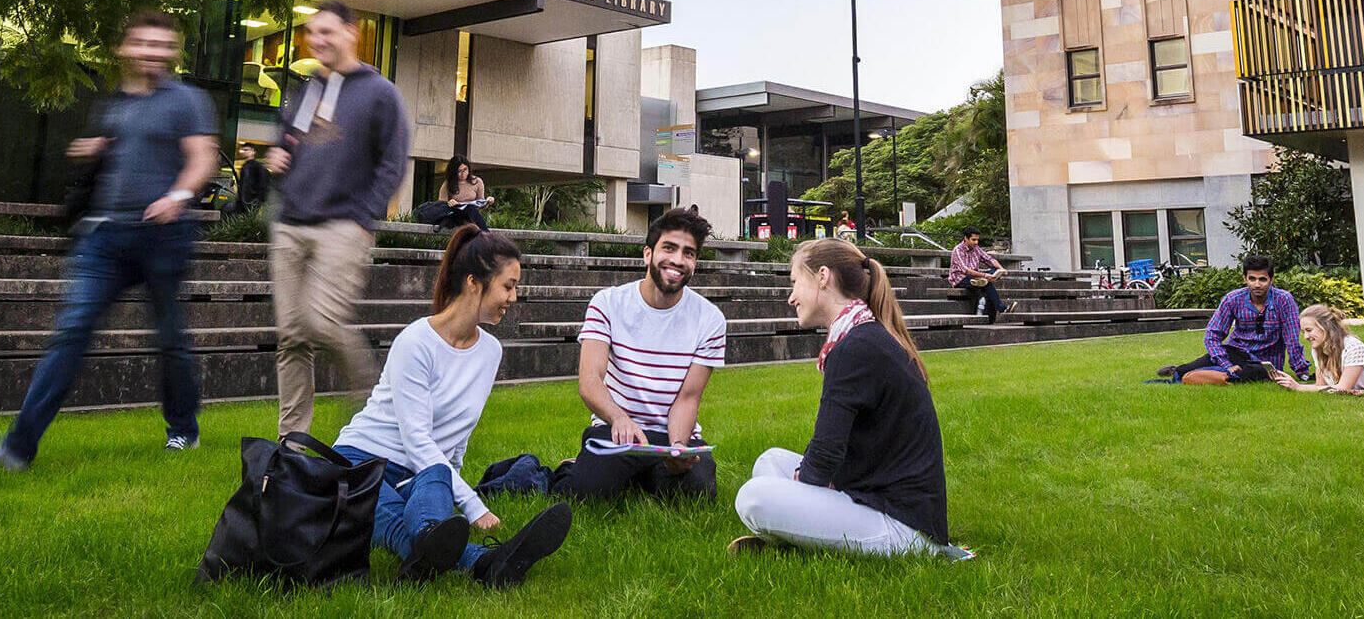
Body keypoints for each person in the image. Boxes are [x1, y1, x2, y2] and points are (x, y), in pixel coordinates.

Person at [0, 10, 221, 470]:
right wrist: (100, 148)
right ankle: (16, 450)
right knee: (71, 333)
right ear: (124, 47)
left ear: (173, 52)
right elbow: (123, 154)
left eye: (163, 45)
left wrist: (178, 196)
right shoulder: (116, 103)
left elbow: (202, 159)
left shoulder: (188, 100)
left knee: (169, 338)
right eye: (143, 43)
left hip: (163, 237)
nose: (153, 52)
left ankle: (183, 429)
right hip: (104, 237)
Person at [330, 226, 575, 586]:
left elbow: (458, 438)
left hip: (422, 473)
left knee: (438, 480)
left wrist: (449, 493)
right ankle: (487, 560)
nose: (514, 297)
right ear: (474, 282)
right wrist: (473, 506)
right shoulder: (415, 342)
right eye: (508, 285)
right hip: (360, 465)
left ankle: (432, 547)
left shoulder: (490, 352)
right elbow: (417, 439)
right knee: (404, 511)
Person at [729, 238, 966, 559]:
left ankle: (794, 538)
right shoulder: (862, 335)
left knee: (753, 498)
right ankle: (795, 536)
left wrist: (806, 482)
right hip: (873, 495)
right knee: (768, 460)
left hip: (903, 527)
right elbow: (832, 444)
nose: (791, 297)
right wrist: (810, 481)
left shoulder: (855, 347)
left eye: (795, 282)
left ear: (822, 277)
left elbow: (824, 456)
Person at [265, 0, 413, 441]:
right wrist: (278, 155)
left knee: (322, 323)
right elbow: (288, 141)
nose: (318, 40)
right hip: (290, 224)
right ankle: (291, 442)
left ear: (352, 32)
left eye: (328, 31)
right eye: (313, 32)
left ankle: (378, 416)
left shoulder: (379, 92)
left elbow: (393, 160)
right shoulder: (306, 89)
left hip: (343, 225)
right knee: (291, 337)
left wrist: (366, 217)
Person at [551, 207, 727, 500]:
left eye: (689, 253)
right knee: (588, 492)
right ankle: (578, 467)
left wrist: (678, 445)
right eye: (669, 248)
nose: (677, 260)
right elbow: (590, 381)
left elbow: (688, 397)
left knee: (698, 492)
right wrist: (619, 418)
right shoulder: (607, 303)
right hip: (618, 429)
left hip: (669, 435)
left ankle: (643, 473)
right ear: (648, 254)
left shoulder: (710, 319)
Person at [1153, 255, 1312, 385]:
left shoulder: (1284, 300)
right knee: (1183, 372)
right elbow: (1212, 335)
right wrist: (1226, 364)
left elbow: (1291, 338)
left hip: (1265, 362)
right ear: (1245, 279)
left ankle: (1211, 375)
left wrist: (1302, 372)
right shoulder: (1233, 299)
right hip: (1235, 352)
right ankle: (1182, 370)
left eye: (1262, 279)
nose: (1257, 284)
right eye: (1252, 278)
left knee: (1249, 375)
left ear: (1271, 279)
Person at [948, 227, 1016, 323]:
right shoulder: (958, 250)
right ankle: (1002, 309)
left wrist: (1001, 269)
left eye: (977, 240)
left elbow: (989, 260)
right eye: (973, 240)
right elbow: (965, 270)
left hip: (975, 277)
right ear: (966, 238)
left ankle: (980, 281)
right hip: (960, 278)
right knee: (987, 284)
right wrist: (984, 275)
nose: (976, 242)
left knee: (991, 274)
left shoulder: (976, 248)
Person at [437, 155, 494, 231]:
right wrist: (449, 203)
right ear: (454, 172)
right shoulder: (448, 184)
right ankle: (486, 234)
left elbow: (480, 204)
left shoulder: (477, 181)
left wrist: (487, 202)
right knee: (470, 210)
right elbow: (440, 205)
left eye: (465, 170)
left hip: (472, 216)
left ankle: (484, 235)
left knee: (471, 209)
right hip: (455, 215)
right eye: (459, 171)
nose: (463, 173)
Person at [221, 142, 271, 216]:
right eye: (243, 150)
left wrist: (257, 201)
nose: (244, 152)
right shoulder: (245, 166)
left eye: (247, 150)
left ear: (253, 152)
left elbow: (264, 185)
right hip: (243, 203)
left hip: (250, 203)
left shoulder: (257, 167)